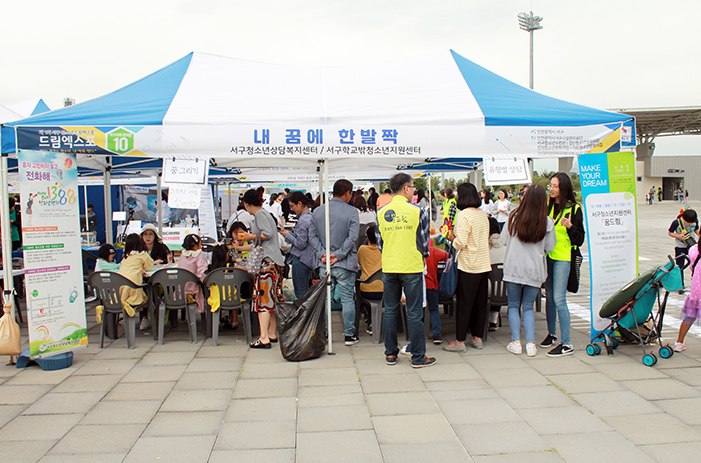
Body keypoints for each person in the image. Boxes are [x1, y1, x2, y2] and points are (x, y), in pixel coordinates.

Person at [376, 173, 434, 368]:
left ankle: (390, 354)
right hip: (411, 266)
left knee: (390, 311)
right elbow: (424, 243)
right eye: (412, 188)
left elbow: (380, 242)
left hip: (389, 265)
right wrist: (421, 255)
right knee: (414, 312)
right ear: (407, 188)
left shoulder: (381, 212)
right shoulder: (418, 211)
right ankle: (418, 356)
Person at [500, 185, 556, 357]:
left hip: (514, 267)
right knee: (528, 307)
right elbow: (550, 247)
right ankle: (531, 344)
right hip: (535, 270)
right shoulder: (547, 222)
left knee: (513, 305)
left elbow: (503, 240)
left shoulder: (513, 216)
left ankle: (516, 342)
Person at [309, 179, 360, 346]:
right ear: (348, 193)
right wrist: (338, 255)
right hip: (345, 263)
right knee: (347, 299)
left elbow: (312, 236)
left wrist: (323, 253)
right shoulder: (352, 211)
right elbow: (353, 237)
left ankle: (324, 333)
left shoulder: (318, 211)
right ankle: (349, 335)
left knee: (325, 300)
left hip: (324, 263)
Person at [442, 182, 491, 353]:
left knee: (464, 304)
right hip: (484, 264)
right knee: (480, 303)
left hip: (469, 265)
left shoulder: (464, 215)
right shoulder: (482, 214)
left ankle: (459, 341)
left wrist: (451, 238)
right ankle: (477, 338)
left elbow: (460, 242)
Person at [541, 173, 585, 357]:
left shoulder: (574, 209)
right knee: (549, 297)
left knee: (559, 299)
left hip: (563, 258)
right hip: (548, 257)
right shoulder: (549, 207)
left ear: (564, 188)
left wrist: (570, 227)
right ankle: (551, 334)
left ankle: (566, 343)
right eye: (550, 186)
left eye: (555, 186)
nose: (551, 189)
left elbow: (580, 239)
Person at [239, 188, 285, 348]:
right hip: (275, 262)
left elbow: (268, 234)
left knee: (263, 300)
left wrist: (250, 236)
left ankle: (264, 337)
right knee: (272, 299)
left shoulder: (259, 215)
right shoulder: (265, 213)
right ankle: (272, 333)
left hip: (267, 262)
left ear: (246, 204)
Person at [281, 191, 315, 298]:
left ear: (299, 203)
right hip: (307, 258)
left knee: (301, 293)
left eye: (292, 206)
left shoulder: (304, 220)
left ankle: (302, 309)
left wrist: (287, 235)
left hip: (301, 259)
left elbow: (301, 244)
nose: (292, 209)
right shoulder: (309, 216)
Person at [115, 234, 153, 320]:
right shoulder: (142, 254)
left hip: (120, 285)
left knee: (119, 299)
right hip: (133, 284)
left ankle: (102, 308)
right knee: (140, 298)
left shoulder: (126, 256)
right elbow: (149, 266)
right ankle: (127, 303)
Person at [675, 243, 701, 352]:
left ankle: (679, 342)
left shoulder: (694, 249)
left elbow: (691, 265)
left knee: (689, 316)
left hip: (697, 290)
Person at [357, 225, 383, 334]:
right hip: (384, 290)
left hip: (366, 291)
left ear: (367, 238)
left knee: (362, 293)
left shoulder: (362, 249)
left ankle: (369, 320)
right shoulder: (384, 250)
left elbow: (358, 263)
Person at [668, 208, 699, 293]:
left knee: (696, 264)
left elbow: (696, 230)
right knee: (680, 265)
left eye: (692, 223)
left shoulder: (695, 221)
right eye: (688, 223)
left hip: (691, 246)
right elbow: (670, 232)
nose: (690, 224)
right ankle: (680, 285)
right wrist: (678, 236)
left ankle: (696, 283)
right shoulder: (676, 222)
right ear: (683, 219)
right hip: (680, 246)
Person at [424, 240, 449, 344]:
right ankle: (437, 334)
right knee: (434, 309)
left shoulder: (415, 250)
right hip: (432, 285)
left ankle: (418, 334)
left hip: (418, 285)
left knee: (417, 311)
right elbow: (449, 256)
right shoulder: (433, 251)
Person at [177, 234, 208, 315]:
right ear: (195, 246)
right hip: (193, 287)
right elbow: (202, 272)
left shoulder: (183, 255)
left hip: (181, 288)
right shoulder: (199, 255)